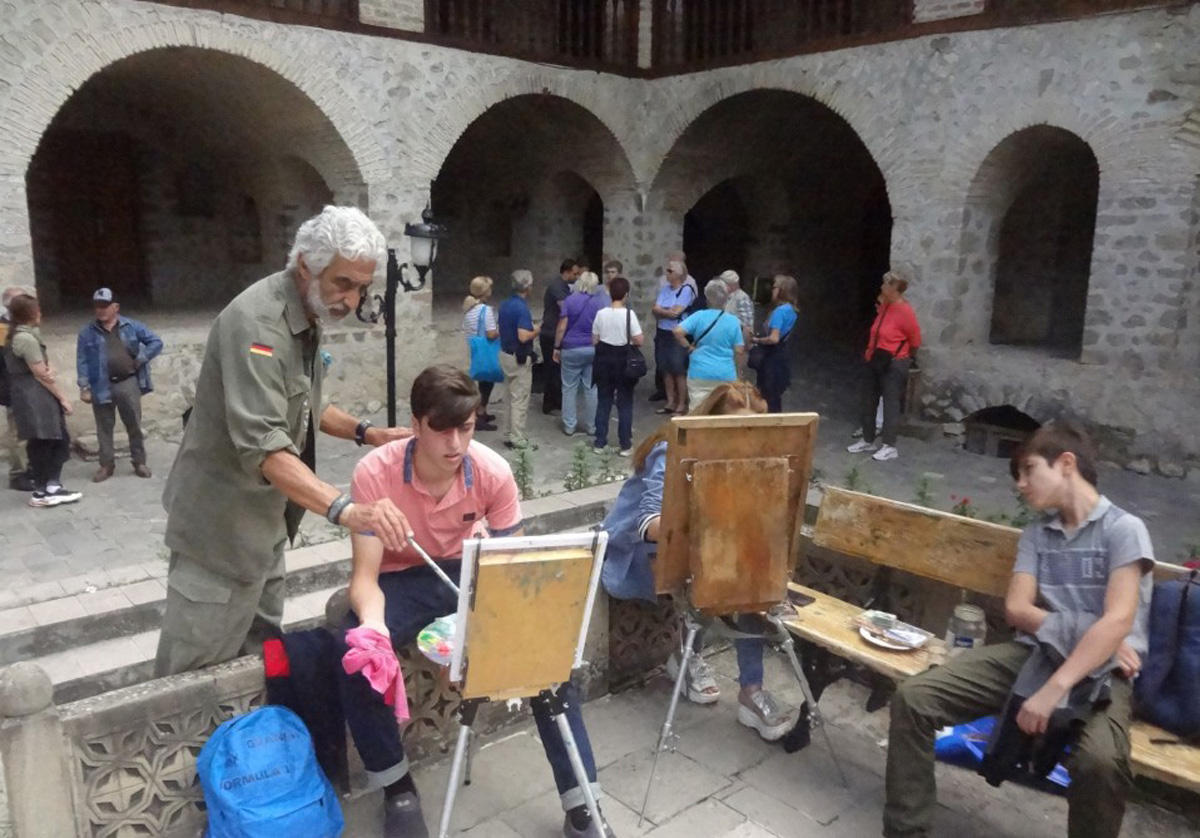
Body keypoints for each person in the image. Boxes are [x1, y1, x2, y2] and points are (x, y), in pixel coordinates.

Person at [339, 364, 616, 838]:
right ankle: (397, 786)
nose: (455, 444)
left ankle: (582, 802)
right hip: (400, 579)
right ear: (416, 424)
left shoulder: (492, 472)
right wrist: (374, 629)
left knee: (548, 659)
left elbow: (515, 574)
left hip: (472, 574)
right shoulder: (375, 473)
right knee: (358, 657)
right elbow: (364, 578)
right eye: (442, 430)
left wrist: (479, 635)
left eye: (465, 428)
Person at [155, 206, 413, 677]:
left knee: (261, 661)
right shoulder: (259, 326)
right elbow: (266, 446)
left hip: (265, 527)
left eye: (361, 287)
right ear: (306, 266)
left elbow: (308, 403)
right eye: (343, 283)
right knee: (193, 679)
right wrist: (346, 510)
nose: (352, 300)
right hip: (219, 532)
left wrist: (368, 433)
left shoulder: (307, 311)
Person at [884, 423, 1154, 838]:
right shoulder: (1038, 534)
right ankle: (906, 831)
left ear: (1066, 464)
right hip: (1035, 654)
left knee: (1100, 762)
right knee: (914, 698)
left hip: (1104, 672)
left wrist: (1056, 687)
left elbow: (1118, 620)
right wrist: (1095, 633)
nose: (1021, 484)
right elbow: (1017, 609)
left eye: (1029, 470)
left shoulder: (1123, 529)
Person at [601, 382, 799, 740]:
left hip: (695, 551)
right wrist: (715, 527)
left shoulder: (747, 456)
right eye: (735, 429)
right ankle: (686, 655)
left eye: (753, 429)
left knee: (752, 571)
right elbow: (649, 526)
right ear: (711, 423)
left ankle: (751, 691)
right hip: (633, 554)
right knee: (723, 572)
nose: (745, 438)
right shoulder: (671, 450)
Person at [76, 287, 164, 482]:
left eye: (105, 306)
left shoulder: (131, 326)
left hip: (127, 382)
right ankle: (106, 465)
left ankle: (139, 461)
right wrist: (84, 387)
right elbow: (82, 360)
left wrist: (141, 358)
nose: (100, 310)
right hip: (101, 385)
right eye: (97, 306)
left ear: (115, 307)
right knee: (104, 427)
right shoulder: (87, 333)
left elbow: (156, 342)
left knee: (134, 424)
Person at [2, 294, 82, 507]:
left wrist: (48, 370)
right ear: (30, 313)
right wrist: (63, 398)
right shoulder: (25, 338)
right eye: (37, 309)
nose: (40, 313)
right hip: (33, 396)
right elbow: (40, 375)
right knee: (43, 441)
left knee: (57, 439)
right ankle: (41, 491)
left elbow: (42, 368)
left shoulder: (25, 335)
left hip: (34, 393)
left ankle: (51, 486)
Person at [847, 270, 921, 462]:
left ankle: (889, 445)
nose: (882, 286)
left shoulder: (905, 311)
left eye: (886, 283)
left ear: (895, 288)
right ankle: (868, 439)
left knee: (890, 403)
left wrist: (904, 356)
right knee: (868, 399)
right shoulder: (886, 306)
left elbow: (915, 340)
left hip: (894, 361)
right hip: (876, 358)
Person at [591, 276, 643, 456]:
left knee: (603, 401)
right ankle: (625, 444)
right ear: (626, 295)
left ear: (610, 293)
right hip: (623, 360)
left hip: (604, 360)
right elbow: (639, 339)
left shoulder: (601, 314)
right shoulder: (629, 314)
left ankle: (599, 442)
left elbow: (595, 339)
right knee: (625, 402)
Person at [674, 281, 743, 408]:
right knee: (723, 410)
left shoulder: (699, 316)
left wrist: (688, 347)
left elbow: (677, 331)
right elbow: (739, 351)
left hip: (700, 371)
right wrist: (738, 372)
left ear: (707, 299)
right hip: (725, 373)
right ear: (726, 299)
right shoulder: (734, 321)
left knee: (697, 409)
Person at [554, 271, 605, 437]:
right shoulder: (599, 303)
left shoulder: (570, 300)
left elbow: (562, 326)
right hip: (592, 347)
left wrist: (557, 347)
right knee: (591, 388)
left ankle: (570, 425)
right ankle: (592, 426)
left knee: (569, 388)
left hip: (571, 348)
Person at [648, 253, 698, 403]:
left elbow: (675, 313)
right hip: (663, 332)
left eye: (670, 271)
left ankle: (681, 403)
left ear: (679, 274)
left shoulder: (686, 289)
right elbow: (655, 309)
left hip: (676, 333)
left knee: (678, 369)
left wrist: (662, 311)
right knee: (665, 369)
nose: (667, 273)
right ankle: (670, 402)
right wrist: (665, 311)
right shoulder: (665, 289)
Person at [497, 269, 536, 450]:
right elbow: (523, 336)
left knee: (508, 397)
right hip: (518, 357)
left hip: (505, 353)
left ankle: (507, 433)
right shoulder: (522, 308)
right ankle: (518, 438)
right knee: (520, 399)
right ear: (527, 287)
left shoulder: (504, 304)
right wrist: (537, 330)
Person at [749, 274, 800, 413]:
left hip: (771, 358)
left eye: (774, 287)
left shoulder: (779, 312)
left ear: (782, 290)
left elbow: (774, 338)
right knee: (775, 398)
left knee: (767, 395)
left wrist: (757, 340)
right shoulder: (791, 310)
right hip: (782, 357)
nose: (772, 290)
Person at [1, 285, 35, 490]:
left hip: (26, 386)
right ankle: (18, 473)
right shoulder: (2, 328)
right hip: (13, 387)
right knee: (18, 433)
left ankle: (28, 466)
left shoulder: (20, 325)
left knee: (28, 430)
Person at [540, 258, 580, 415]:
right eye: (575, 274)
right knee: (552, 369)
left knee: (556, 370)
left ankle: (555, 401)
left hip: (554, 331)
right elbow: (565, 308)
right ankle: (550, 403)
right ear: (567, 272)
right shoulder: (557, 287)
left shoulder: (562, 286)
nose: (576, 277)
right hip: (551, 332)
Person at [462, 275, 499, 432]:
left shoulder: (469, 309)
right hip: (486, 348)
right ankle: (480, 412)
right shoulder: (486, 310)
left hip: (475, 347)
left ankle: (480, 411)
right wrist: (499, 332)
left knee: (482, 381)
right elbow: (490, 333)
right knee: (487, 382)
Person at [721, 270, 754, 377]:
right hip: (725, 345)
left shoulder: (742, 298)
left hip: (737, 346)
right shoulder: (725, 297)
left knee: (734, 377)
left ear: (732, 285)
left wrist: (743, 349)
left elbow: (746, 325)